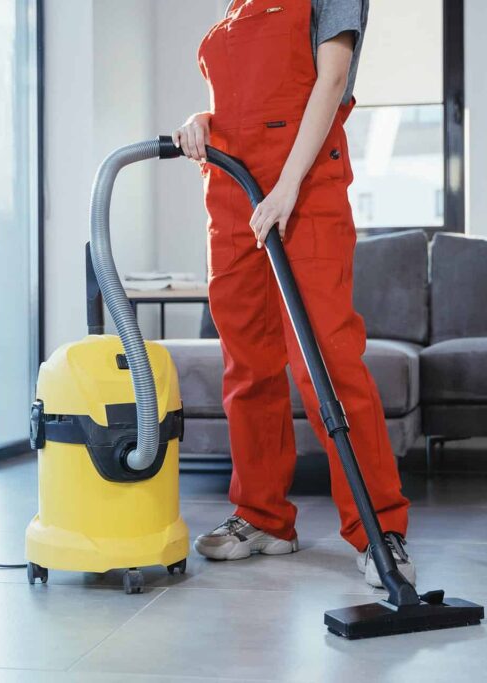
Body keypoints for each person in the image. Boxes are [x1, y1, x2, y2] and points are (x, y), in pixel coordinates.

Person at [172, 0, 413, 588]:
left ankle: (379, 528)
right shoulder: (236, 7)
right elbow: (239, 104)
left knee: (327, 363)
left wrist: (285, 188)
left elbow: (331, 78)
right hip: (231, 193)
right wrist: (201, 122)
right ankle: (263, 519)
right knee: (248, 366)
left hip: (304, 190)